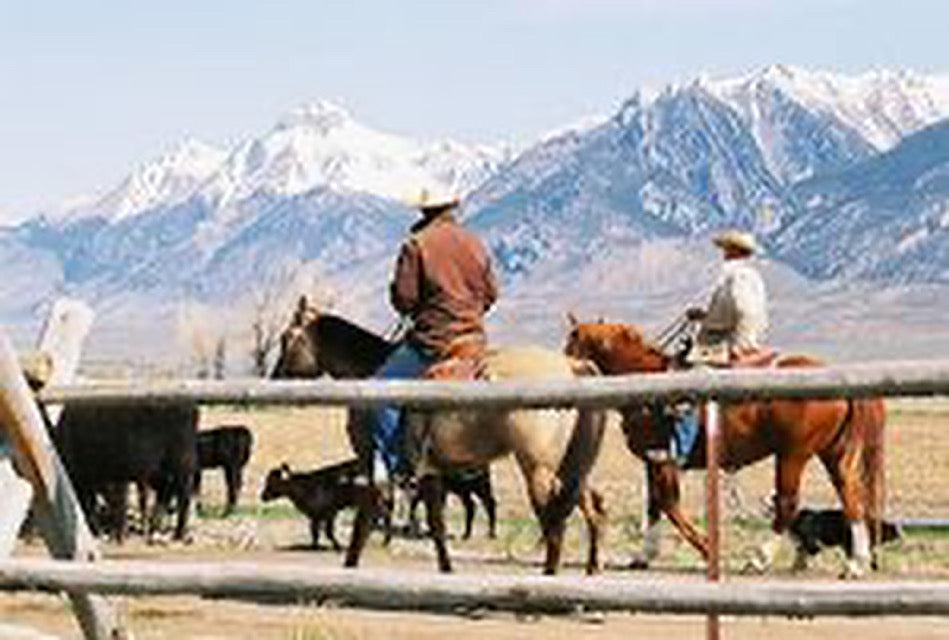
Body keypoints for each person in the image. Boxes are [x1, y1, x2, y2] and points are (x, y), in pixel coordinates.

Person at [370, 189, 499, 483]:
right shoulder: (474, 242)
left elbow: (405, 300)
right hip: (474, 342)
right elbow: (492, 294)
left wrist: (401, 295)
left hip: (434, 343)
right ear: (451, 207)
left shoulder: (417, 245)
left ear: (423, 212)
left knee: (379, 393)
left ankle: (393, 468)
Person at [661, 230, 770, 464]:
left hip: (729, 342)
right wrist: (705, 315)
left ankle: (681, 450)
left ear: (734, 251)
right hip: (743, 337)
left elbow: (740, 311)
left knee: (689, 386)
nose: (724, 252)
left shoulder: (735, 275)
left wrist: (712, 323)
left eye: (727, 248)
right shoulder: (753, 277)